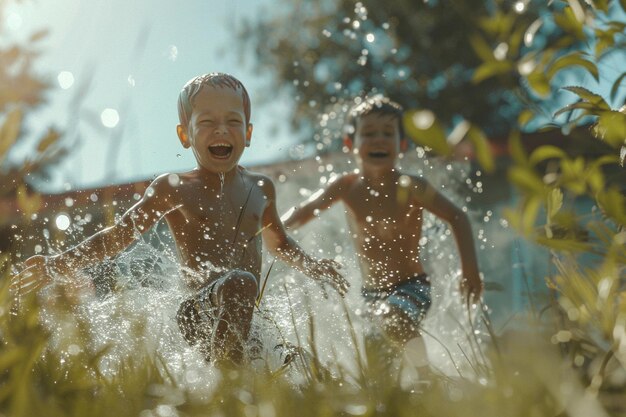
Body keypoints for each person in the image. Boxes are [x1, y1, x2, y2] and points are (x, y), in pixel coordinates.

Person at [12, 73, 349, 366]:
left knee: (299, 364)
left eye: (232, 121)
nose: (221, 130)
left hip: (245, 315)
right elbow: (119, 234)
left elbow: (280, 244)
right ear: (185, 135)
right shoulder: (174, 188)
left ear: (247, 133)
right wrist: (59, 263)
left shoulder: (261, 189)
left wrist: (314, 266)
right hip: (197, 313)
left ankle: (236, 388)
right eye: (206, 122)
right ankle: (229, 392)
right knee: (240, 282)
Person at [282, 96, 482, 362]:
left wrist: (469, 270)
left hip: (412, 287)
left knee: (393, 318)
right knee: (378, 366)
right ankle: (397, 399)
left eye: (387, 133)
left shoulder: (412, 186)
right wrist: (270, 225)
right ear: (350, 144)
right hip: (371, 295)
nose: (378, 140)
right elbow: (306, 210)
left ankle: (426, 379)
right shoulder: (346, 186)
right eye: (368, 134)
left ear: (401, 144)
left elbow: (458, 218)